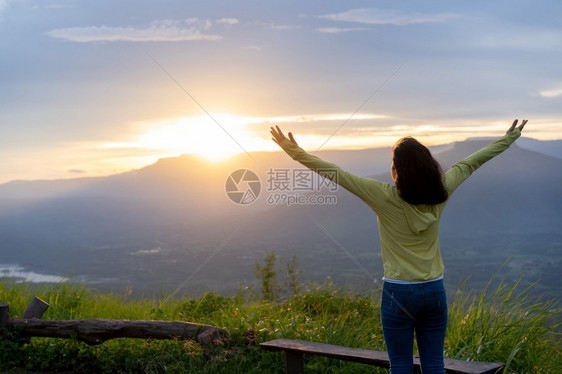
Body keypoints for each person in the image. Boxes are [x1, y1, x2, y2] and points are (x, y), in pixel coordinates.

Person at [270, 119, 528, 374]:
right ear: (428, 165)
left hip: (398, 292)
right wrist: (508, 139)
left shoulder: (382, 196)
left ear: (397, 170)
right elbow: (472, 162)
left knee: (401, 366)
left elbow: (336, 173)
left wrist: (293, 150)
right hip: (434, 290)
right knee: (435, 365)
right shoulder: (442, 191)